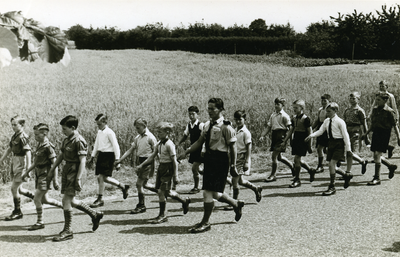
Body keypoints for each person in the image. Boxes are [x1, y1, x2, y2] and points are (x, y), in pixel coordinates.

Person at [179, 98, 244, 234]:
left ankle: (205, 222)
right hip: (209, 158)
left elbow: (233, 148)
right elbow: (199, 141)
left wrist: (233, 165)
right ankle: (236, 203)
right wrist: (186, 152)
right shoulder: (207, 125)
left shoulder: (226, 127)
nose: (209, 111)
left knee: (207, 192)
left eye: (212, 109)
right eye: (208, 108)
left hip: (220, 160)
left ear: (220, 110)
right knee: (214, 192)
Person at [50, 115, 103, 242]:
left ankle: (68, 230)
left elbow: (83, 161)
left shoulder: (79, 141)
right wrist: (53, 168)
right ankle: (95, 215)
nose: (63, 131)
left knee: (66, 200)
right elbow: (62, 155)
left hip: (76, 172)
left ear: (73, 128)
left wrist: (78, 178)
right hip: (68, 170)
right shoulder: (67, 139)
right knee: (71, 200)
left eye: (65, 129)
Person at [136, 122, 190, 224]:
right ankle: (184, 201)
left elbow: (174, 161)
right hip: (161, 168)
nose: (158, 134)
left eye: (160, 132)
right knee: (166, 192)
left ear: (167, 132)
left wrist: (176, 176)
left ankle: (163, 215)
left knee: (161, 192)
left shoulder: (170, 144)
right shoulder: (159, 144)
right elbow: (152, 156)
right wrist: (141, 165)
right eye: (158, 132)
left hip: (168, 169)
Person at [305, 103, 354, 195]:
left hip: (339, 144)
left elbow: (345, 135)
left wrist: (348, 149)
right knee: (333, 166)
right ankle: (346, 176)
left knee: (331, 164)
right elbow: (321, 131)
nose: (327, 113)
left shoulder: (340, 121)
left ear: (335, 111)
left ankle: (332, 186)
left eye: (329, 111)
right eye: (326, 111)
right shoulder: (327, 121)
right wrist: (312, 135)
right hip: (330, 143)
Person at [22, 124, 63, 230]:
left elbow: (55, 164)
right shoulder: (39, 145)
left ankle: (40, 222)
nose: (35, 137)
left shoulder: (48, 147)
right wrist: (27, 172)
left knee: (36, 198)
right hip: (39, 174)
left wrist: (55, 180)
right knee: (46, 200)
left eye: (37, 135)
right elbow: (36, 162)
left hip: (45, 176)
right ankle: (66, 207)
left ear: (44, 134)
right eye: (34, 134)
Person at [115, 117, 158, 214]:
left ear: (144, 126)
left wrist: (156, 164)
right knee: (144, 185)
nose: (137, 130)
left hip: (147, 162)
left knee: (139, 184)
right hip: (140, 161)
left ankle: (141, 205)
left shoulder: (151, 137)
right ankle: (161, 192)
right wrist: (120, 160)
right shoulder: (137, 138)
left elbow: (155, 153)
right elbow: (130, 150)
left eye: (138, 128)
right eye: (136, 128)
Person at [87, 114, 130, 207]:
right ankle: (122, 186)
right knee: (102, 178)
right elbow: (96, 145)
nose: (98, 126)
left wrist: (117, 160)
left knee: (101, 178)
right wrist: (92, 156)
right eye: (97, 124)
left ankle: (100, 199)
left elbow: (116, 146)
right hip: (101, 155)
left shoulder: (110, 132)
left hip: (108, 156)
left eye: (99, 124)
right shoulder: (99, 132)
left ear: (105, 122)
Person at [224, 110, 262, 210]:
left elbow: (249, 147)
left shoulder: (246, 132)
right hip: (234, 156)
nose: (238, 122)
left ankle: (234, 202)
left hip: (241, 157)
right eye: (236, 120)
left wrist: (246, 161)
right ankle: (256, 189)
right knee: (240, 181)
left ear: (244, 119)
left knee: (234, 181)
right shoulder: (235, 130)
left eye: (240, 119)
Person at [0, 115, 34, 221]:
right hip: (15, 161)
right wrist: (1, 160)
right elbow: (10, 149)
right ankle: (38, 198)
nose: (13, 127)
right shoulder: (15, 136)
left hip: (21, 162)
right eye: (12, 125)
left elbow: (28, 153)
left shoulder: (23, 137)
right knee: (20, 189)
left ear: (22, 125)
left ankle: (17, 211)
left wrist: (28, 169)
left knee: (14, 188)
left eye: (15, 125)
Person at [363, 92, 400, 185]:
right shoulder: (375, 110)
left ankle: (377, 178)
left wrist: (399, 136)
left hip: (384, 134)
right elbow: (372, 124)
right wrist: (366, 134)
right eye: (376, 100)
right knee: (376, 155)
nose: (377, 102)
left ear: (385, 100)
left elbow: (395, 126)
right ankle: (390, 166)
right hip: (376, 133)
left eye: (379, 100)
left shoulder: (389, 111)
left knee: (377, 154)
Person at [282, 100, 316, 188]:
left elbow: (310, 132)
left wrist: (310, 145)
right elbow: (291, 130)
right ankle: (310, 170)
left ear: (302, 108)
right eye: (293, 108)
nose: (294, 109)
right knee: (298, 160)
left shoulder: (306, 119)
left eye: (296, 108)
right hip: (296, 139)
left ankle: (297, 179)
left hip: (303, 140)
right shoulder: (294, 118)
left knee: (296, 159)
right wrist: (285, 140)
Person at [259, 97, 294, 182]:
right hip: (274, 136)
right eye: (275, 104)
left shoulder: (285, 116)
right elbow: (269, 127)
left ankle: (273, 175)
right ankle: (292, 167)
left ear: (283, 105)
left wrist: (290, 140)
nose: (276, 106)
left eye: (278, 104)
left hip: (281, 136)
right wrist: (262, 135)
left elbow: (290, 129)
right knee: (279, 157)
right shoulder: (273, 115)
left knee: (274, 156)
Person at [368, 80, 399, 158]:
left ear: (387, 87)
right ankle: (386, 149)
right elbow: (373, 106)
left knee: (384, 135)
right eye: (380, 86)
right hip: (379, 116)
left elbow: (394, 107)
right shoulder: (378, 96)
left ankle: (382, 153)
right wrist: (370, 114)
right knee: (379, 136)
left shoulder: (390, 96)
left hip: (388, 117)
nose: (381, 87)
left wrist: (396, 117)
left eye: (383, 86)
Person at [177, 106, 204, 194]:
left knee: (194, 168)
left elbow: (205, 138)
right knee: (199, 170)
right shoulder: (189, 125)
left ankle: (196, 187)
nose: (191, 116)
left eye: (193, 114)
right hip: (193, 149)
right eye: (189, 114)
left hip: (201, 150)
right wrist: (179, 143)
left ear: (197, 114)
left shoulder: (201, 125)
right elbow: (185, 135)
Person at [342, 92, 368, 175]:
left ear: (358, 100)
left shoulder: (360, 111)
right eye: (350, 98)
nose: (352, 100)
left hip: (356, 132)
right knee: (348, 152)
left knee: (352, 152)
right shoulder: (347, 110)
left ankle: (362, 161)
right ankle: (348, 171)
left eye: (354, 98)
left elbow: (364, 123)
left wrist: (366, 135)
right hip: (347, 132)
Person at [311, 94, 331, 173]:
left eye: (325, 101)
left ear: (329, 101)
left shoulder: (330, 110)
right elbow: (317, 121)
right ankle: (320, 165)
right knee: (320, 148)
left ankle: (328, 164)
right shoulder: (320, 110)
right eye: (322, 100)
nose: (323, 102)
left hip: (327, 130)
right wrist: (311, 129)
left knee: (324, 148)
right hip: (321, 129)